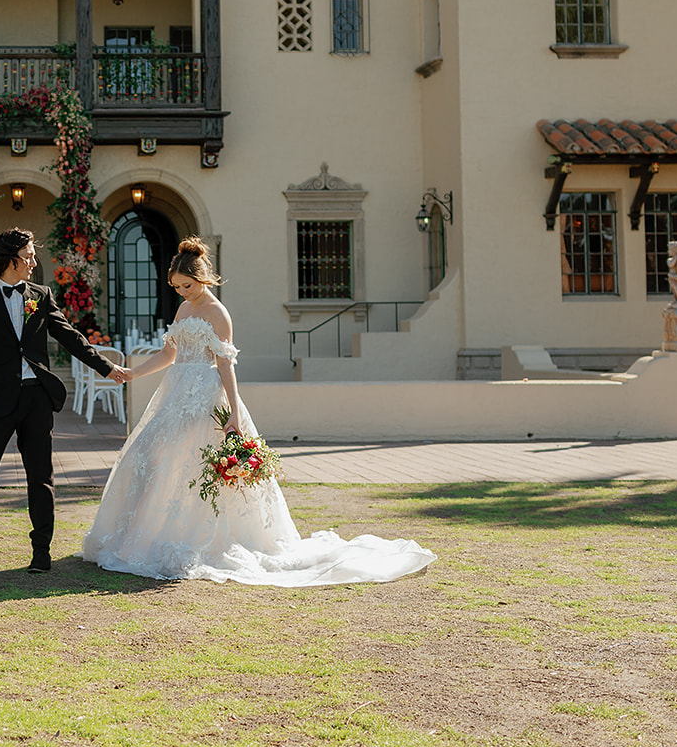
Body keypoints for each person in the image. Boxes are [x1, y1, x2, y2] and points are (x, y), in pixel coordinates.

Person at [81, 236, 436, 586]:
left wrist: (234, 412)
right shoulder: (184, 308)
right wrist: (132, 372)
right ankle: (147, 536)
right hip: (175, 393)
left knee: (194, 462)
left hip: (206, 395)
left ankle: (197, 539)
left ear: (202, 278)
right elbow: (169, 355)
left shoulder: (218, 313)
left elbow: (226, 365)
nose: (181, 292)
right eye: (176, 287)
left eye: (186, 285)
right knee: (152, 453)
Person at [0, 228, 131, 574]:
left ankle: (42, 553)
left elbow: (70, 337)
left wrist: (106, 367)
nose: (34, 263)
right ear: (10, 260)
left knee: (40, 477)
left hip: (37, 398)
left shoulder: (40, 295)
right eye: (28, 256)